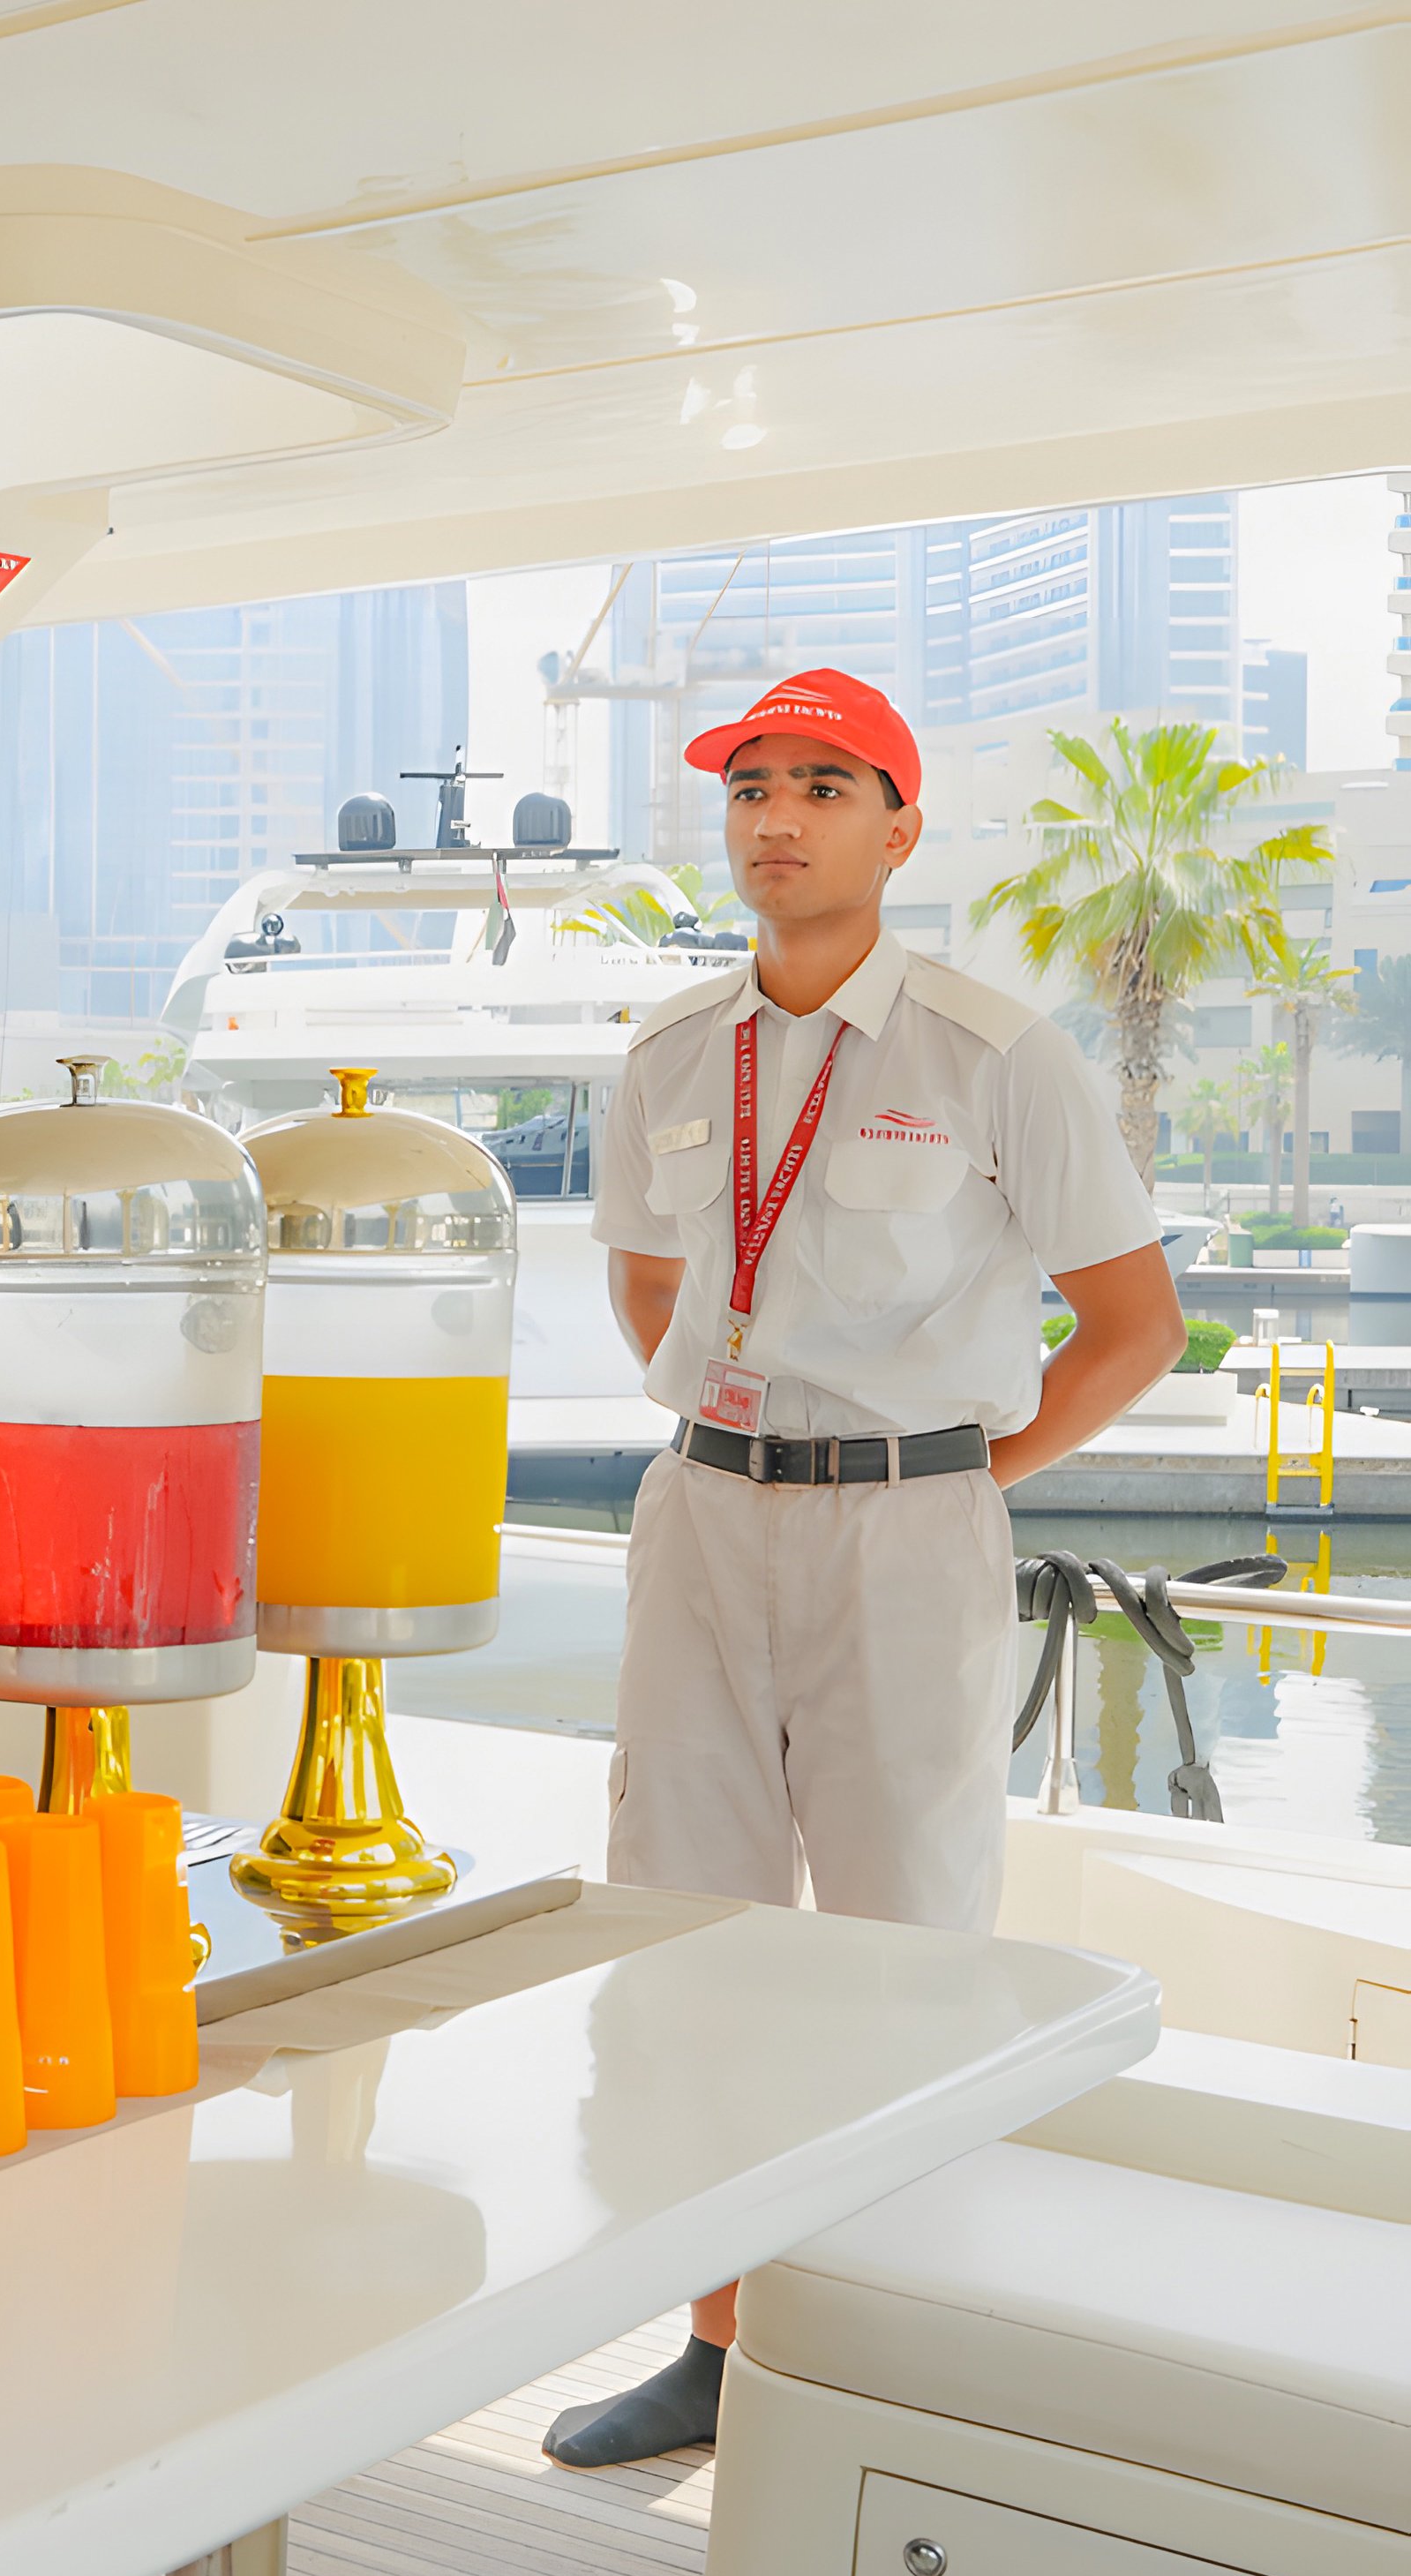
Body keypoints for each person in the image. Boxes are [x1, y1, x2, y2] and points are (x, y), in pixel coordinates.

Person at [544, 666, 1182, 2470]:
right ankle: (723, 2343)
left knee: (908, 1930)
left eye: (824, 783)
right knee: (683, 1925)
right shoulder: (672, 1052)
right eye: (752, 783)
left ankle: (891, 2346)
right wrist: (719, 1396)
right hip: (704, 1514)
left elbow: (1134, 1325)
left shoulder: (995, 1052)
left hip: (908, 1526)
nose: (777, 814)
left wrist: (976, 1470)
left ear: (899, 828)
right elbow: (648, 1276)